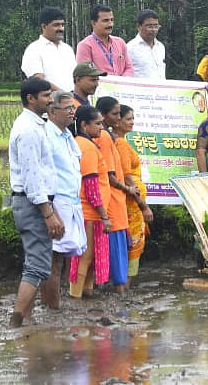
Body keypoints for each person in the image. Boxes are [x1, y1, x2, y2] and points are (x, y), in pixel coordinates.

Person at [7, 78, 62, 327]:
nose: (50, 100)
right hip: (32, 204)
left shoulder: (37, 125)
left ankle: (25, 320)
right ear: (30, 99)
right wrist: (47, 212)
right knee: (37, 265)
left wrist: (51, 208)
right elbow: (32, 177)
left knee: (37, 262)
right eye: (45, 96)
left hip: (36, 202)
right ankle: (15, 322)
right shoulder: (28, 130)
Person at [43, 90, 83, 310]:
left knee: (63, 258)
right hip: (57, 205)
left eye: (73, 108)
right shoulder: (48, 136)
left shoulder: (68, 135)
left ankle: (53, 305)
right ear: (52, 111)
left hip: (71, 203)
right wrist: (50, 210)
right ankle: (52, 310)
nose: (72, 113)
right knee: (54, 260)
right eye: (67, 109)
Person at [69, 105, 113, 299]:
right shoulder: (86, 147)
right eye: (98, 124)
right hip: (89, 212)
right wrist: (104, 215)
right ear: (85, 125)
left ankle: (86, 293)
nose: (101, 128)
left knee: (91, 256)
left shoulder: (83, 144)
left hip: (91, 211)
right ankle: (75, 297)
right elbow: (91, 186)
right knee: (85, 257)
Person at [112, 104, 154, 285]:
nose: (132, 122)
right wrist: (143, 206)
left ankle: (123, 287)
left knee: (130, 244)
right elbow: (127, 177)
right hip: (131, 204)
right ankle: (124, 288)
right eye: (128, 119)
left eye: (133, 118)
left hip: (131, 203)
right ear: (117, 121)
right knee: (132, 245)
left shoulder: (122, 141)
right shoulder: (120, 143)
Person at [95, 96, 131, 293]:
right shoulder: (105, 137)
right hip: (113, 200)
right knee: (117, 253)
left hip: (115, 199)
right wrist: (128, 189)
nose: (119, 117)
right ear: (103, 115)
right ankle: (120, 293)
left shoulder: (107, 136)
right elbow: (110, 175)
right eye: (115, 114)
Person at [21, 6, 76, 91]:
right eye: (56, 25)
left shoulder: (68, 49)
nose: (61, 28)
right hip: (49, 102)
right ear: (44, 26)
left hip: (73, 101)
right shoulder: (34, 49)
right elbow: (38, 81)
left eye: (62, 25)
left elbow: (76, 77)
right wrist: (64, 95)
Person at [77, 5, 134, 76]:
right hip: (99, 86)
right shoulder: (85, 45)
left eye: (112, 20)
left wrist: (122, 82)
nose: (110, 24)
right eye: (105, 20)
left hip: (123, 85)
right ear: (94, 23)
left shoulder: (120, 42)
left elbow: (129, 68)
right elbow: (85, 73)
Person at [127, 9, 166, 80]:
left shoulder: (160, 47)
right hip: (140, 90)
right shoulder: (130, 48)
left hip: (161, 90)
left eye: (156, 26)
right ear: (139, 26)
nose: (154, 30)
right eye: (149, 26)